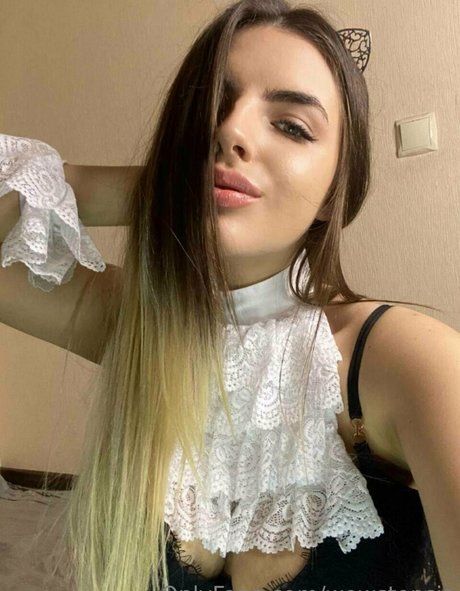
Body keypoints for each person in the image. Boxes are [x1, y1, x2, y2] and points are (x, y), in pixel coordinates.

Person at [0, 1, 459, 590]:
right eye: (210, 108)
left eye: (291, 126)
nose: (230, 130)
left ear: (333, 195)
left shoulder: (402, 360)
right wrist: (168, 187)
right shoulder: (138, 325)